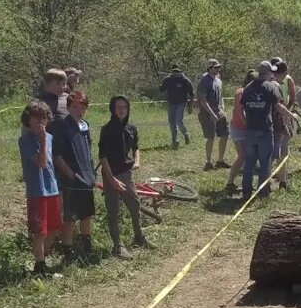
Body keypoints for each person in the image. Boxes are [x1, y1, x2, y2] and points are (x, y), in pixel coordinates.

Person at [232, 61, 293, 200]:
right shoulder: (270, 87)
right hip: (265, 131)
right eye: (272, 72)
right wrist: (291, 115)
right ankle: (263, 191)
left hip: (250, 131)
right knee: (265, 162)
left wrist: (246, 122)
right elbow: (278, 107)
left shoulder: (247, 88)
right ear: (268, 73)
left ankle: (246, 191)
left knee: (249, 162)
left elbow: (240, 108)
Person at [98, 95, 149, 259]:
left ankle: (139, 237)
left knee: (134, 204)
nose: (121, 110)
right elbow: (102, 156)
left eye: (124, 107)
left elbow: (136, 147)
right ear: (112, 109)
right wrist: (111, 179)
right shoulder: (107, 130)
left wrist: (137, 161)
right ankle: (117, 246)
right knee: (114, 210)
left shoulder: (131, 128)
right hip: (110, 174)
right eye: (118, 107)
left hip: (126, 173)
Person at [18, 100, 62, 278]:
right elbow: (42, 162)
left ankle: (42, 260)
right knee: (40, 232)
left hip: (52, 188)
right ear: (28, 121)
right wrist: (42, 141)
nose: (40, 124)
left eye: (43, 120)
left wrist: (45, 139)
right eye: (36, 120)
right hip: (37, 191)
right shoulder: (26, 140)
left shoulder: (49, 137)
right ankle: (40, 267)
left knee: (54, 228)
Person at [52, 91, 97, 263]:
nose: (79, 111)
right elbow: (57, 156)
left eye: (82, 107)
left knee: (86, 216)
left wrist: (91, 174)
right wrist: (71, 175)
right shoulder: (63, 126)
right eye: (75, 107)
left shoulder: (85, 125)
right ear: (69, 107)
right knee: (70, 218)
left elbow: (88, 153)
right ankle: (68, 252)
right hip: (71, 181)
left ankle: (87, 248)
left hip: (87, 178)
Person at [269, 57, 298, 189]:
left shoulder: (285, 80)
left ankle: (280, 180)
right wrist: (289, 114)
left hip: (276, 119)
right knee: (279, 151)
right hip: (278, 120)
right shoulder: (273, 85)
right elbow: (278, 106)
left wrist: (289, 110)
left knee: (277, 151)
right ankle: (278, 181)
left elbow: (292, 96)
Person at [198, 58, 228, 171]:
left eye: (219, 67)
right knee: (211, 137)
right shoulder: (204, 81)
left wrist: (222, 107)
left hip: (220, 111)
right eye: (216, 67)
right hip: (207, 114)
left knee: (225, 134)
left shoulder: (218, 80)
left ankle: (220, 160)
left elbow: (221, 96)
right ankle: (208, 162)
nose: (218, 69)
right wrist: (211, 113)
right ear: (210, 68)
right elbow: (203, 100)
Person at [159, 65, 194, 149]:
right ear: (172, 72)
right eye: (174, 72)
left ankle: (186, 135)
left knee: (179, 120)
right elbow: (161, 89)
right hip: (171, 103)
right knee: (172, 122)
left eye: (177, 72)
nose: (176, 73)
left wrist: (190, 107)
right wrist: (161, 83)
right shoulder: (168, 80)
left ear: (181, 72)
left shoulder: (185, 81)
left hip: (182, 103)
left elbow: (192, 94)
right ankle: (175, 141)